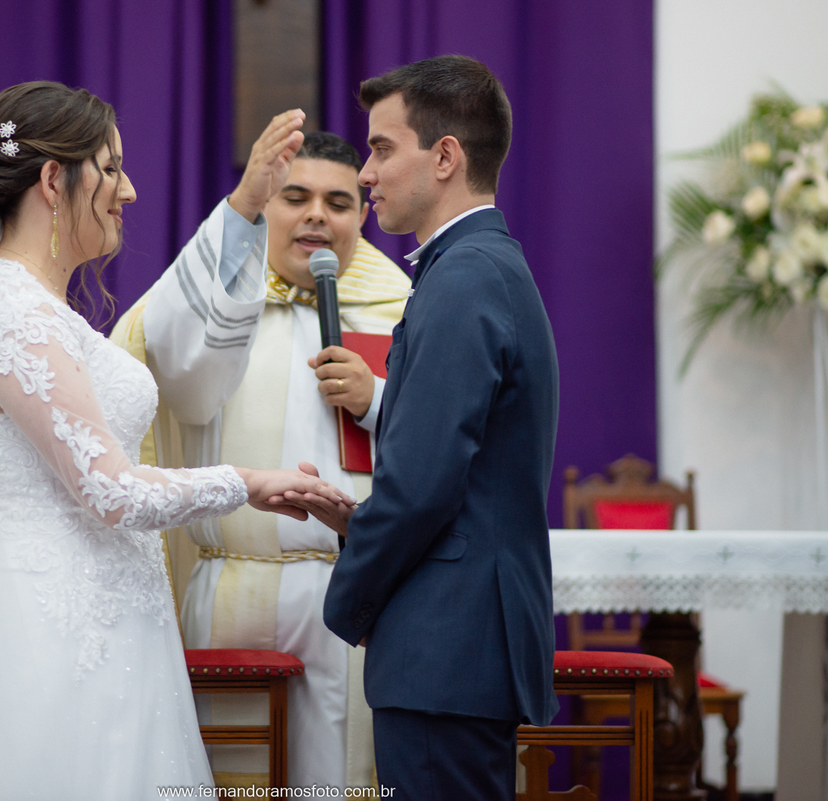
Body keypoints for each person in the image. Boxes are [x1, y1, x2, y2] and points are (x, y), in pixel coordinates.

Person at [0, 81, 351, 800]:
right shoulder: (9, 309)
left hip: (109, 623)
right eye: (111, 168)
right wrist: (248, 481)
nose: (131, 191)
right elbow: (112, 489)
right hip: (46, 634)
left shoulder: (38, 308)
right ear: (55, 178)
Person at [290, 56, 561, 799]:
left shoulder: (464, 277)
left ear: (445, 157)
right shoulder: (475, 268)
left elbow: (420, 486)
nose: (367, 174)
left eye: (382, 148)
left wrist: (346, 599)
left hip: (449, 647)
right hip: (460, 643)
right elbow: (452, 470)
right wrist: (357, 517)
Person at [110, 124, 409, 787]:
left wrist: (377, 399)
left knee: (334, 777)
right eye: (292, 196)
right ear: (263, 207)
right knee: (229, 777)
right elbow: (176, 377)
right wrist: (237, 215)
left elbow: (440, 446)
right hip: (232, 588)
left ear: (363, 216)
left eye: (338, 203)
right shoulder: (222, 304)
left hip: (346, 591)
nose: (316, 216)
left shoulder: (400, 313)